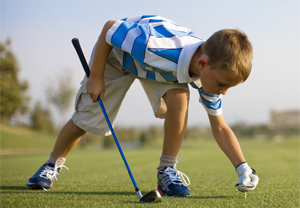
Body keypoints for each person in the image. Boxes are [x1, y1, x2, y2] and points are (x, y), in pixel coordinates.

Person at [26, 15, 259, 197]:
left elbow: (219, 127)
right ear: (202, 64)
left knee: (180, 98)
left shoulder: (208, 76)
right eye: (222, 84)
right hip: (117, 58)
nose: (223, 92)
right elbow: (110, 28)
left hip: (156, 70)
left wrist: (243, 168)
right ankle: (51, 165)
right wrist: (95, 76)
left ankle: (167, 171)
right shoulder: (155, 45)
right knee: (85, 121)